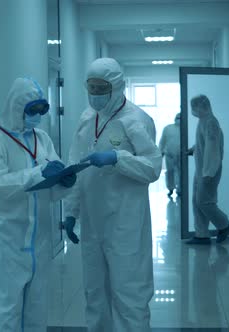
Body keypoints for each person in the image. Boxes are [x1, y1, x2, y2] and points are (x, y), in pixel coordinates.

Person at [63, 58, 162, 331]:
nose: (95, 94)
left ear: (117, 86)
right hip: (93, 223)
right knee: (95, 296)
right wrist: (71, 212)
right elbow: (76, 165)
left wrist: (118, 158)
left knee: (130, 296)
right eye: (91, 88)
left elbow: (153, 168)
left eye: (100, 87)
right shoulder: (87, 119)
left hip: (125, 225)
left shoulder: (137, 120)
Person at [0, 77, 77, 331]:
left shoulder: (41, 138)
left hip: (39, 240)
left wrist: (64, 181)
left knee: (37, 310)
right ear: (16, 108)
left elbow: (50, 180)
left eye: (41, 110)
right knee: (5, 310)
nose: (37, 116)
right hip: (8, 240)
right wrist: (38, 174)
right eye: (32, 110)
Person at [186, 95, 229, 245]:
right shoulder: (203, 121)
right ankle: (202, 235)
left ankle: (224, 225)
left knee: (204, 202)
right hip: (201, 170)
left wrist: (208, 173)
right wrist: (192, 150)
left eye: (195, 107)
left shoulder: (211, 122)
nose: (193, 110)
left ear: (202, 106)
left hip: (209, 171)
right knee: (196, 201)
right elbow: (202, 143)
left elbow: (212, 150)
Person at [159, 113, 181, 196]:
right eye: (177, 118)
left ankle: (180, 189)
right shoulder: (168, 128)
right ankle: (170, 189)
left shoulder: (185, 129)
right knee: (170, 172)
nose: (178, 120)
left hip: (181, 156)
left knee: (181, 173)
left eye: (180, 118)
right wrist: (160, 152)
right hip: (169, 155)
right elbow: (162, 141)